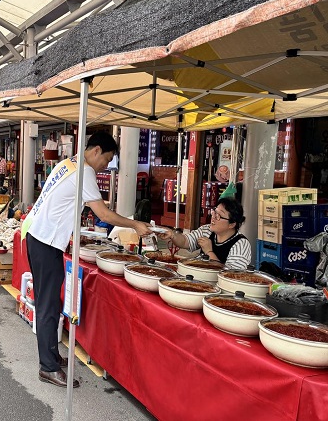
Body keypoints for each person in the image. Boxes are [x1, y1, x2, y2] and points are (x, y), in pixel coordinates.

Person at [24, 131, 152, 388]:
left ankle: (51, 354)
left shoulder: (67, 163)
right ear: (95, 151)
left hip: (37, 237)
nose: (107, 165)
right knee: (49, 305)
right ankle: (47, 367)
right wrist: (135, 224)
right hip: (46, 243)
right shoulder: (85, 172)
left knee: (49, 301)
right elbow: (103, 213)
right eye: (107, 159)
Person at [158, 197, 251, 269]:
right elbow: (185, 241)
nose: (213, 217)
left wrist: (209, 252)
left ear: (232, 224)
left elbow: (230, 276)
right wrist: (172, 235)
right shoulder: (207, 230)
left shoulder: (240, 244)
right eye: (214, 212)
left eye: (218, 216)